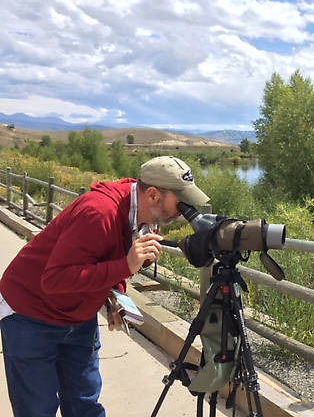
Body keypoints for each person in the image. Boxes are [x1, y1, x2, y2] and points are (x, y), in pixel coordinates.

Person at [0, 155, 209, 417]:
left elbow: (106, 257)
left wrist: (115, 297)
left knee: (84, 405)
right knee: (37, 409)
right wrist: (126, 266)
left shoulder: (146, 215)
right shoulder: (98, 212)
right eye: (182, 201)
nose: (186, 209)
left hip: (78, 316)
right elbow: (55, 279)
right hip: (31, 314)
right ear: (154, 194)